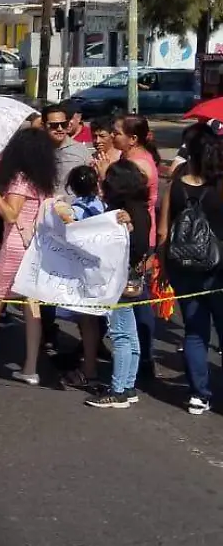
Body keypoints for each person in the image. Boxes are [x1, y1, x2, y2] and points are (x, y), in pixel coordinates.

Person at [0, 127, 58, 386]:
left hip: (15, 247)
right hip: (35, 248)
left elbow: (10, 215)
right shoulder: (43, 182)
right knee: (32, 308)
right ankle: (30, 368)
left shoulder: (20, 179)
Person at [158, 127, 223, 415]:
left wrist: (162, 266)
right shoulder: (219, 184)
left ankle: (199, 394)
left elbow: (163, 231)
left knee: (195, 332)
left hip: (182, 266)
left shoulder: (176, 184)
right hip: (218, 268)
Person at [84, 160, 150, 409]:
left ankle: (118, 390)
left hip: (120, 278)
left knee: (120, 334)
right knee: (129, 334)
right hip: (131, 277)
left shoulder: (127, 212)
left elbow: (135, 244)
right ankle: (128, 385)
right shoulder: (138, 207)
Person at [39, 104, 92, 351]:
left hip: (75, 226)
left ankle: (90, 339)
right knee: (47, 283)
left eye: (64, 124)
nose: (60, 129)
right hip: (46, 227)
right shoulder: (37, 151)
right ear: (45, 126)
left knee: (81, 286)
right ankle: (47, 332)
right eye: (54, 125)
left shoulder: (81, 152)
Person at [112, 114, 160, 377]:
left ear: (133, 138)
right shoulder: (128, 158)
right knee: (132, 297)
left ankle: (142, 358)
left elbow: (134, 204)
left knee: (137, 296)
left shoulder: (140, 164)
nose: (113, 135)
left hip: (138, 237)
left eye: (117, 132)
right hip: (126, 234)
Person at [55, 165, 109, 389]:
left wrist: (57, 205)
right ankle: (91, 362)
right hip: (100, 269)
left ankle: (89, 370)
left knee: (86, 321)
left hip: (82, 271)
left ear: (71, 188)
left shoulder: (76, 209)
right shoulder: (103, 206)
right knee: (94, 321)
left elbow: (67, 225)